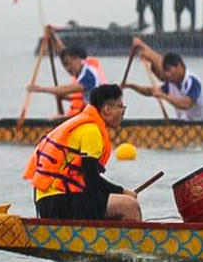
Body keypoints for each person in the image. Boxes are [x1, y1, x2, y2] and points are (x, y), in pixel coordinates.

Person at [24, 83, 142, 222]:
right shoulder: (91, 131)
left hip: (49, 201)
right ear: (107, 109)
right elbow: (91, 180)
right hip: (58, 202)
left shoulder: (85, 124)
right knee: (129, 206)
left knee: (116, 203)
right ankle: (129, 244)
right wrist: (122, 191)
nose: (123, 111)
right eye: (120, 106)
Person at [124, 38, 203, 121]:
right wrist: (131, 86)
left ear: (179, 67)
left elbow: (186, 103)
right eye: (165, 71)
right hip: (185, 126)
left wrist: (164, 96)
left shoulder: (192, 81)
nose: (167, 75)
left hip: (202, 125)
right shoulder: (172, 84)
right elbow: (150, 91)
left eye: (169, 70)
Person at [27, 38, 105, 115]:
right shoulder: (82, 69)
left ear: (77, 59)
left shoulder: (88, 75)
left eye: (69, 63)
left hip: (99, 114)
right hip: (90, 111)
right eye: (65, 65)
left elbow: (67, 89)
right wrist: (54, 38)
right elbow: (64, 51)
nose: (68, 68)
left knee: (57, 119)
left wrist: (40, 89)